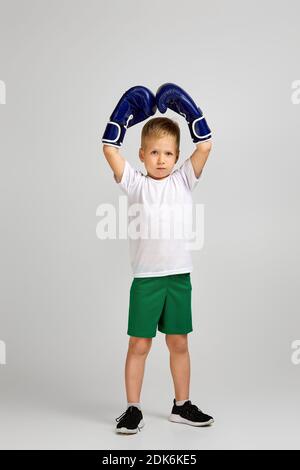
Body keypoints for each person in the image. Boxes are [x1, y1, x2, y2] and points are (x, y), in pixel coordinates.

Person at [102, 83, 214, 434]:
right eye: (154, 153)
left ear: (177, 156)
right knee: (139, 344)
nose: (161, 160)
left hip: (179, 277)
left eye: (168, 153)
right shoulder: (135, 184)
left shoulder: (184, 180)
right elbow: (108, 150)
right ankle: (132, 408)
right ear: (142, 154)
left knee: (179, 343)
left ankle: (182, 405)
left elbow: (206, 145)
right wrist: (118, 121)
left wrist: (192, 114)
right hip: (147, 279)